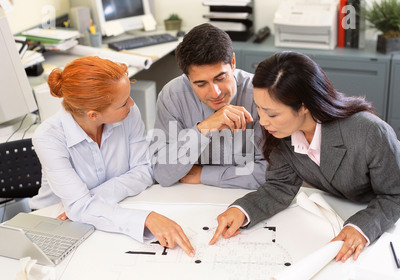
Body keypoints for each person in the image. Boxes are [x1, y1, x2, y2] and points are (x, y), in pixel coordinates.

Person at [210, 51, 400, 263]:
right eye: (259, 109)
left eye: (272, 114)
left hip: (382, 225)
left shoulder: (370, 132)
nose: (262, 121)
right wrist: (242, 210)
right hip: (333, 213)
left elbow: (395, 195)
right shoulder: (281, 133)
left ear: (304, 106)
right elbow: (280, 186)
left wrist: (360, 228)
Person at [29, 56, 194, 257]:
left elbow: (143, 170)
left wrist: (87, 203)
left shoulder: (128, 113)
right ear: (92, 115)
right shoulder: (48, 138)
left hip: (105, 213)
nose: (132, 104)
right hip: (55, 223)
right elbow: (79, 208)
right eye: (123, 103)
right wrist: (146, 219)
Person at [150, 23, 267, 189]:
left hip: (243, 196)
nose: (215, 93)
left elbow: (273, 173)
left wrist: (204, 175)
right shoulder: (172, 95)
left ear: (233, 62)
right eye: (201, 84)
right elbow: (162, 173)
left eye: (220, 78)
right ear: (188, 78)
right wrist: (203, 129)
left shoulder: (259, 94)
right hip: (191, 196)